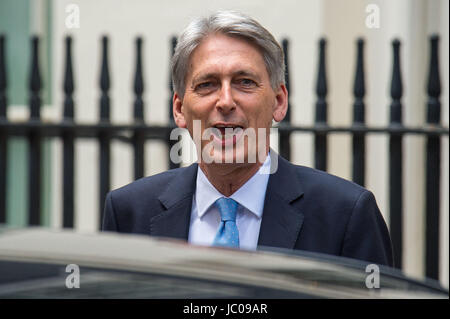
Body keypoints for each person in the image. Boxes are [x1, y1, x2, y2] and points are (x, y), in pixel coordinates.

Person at [102, 10, 393, 267]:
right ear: (180, 109)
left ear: (278, 102)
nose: (225, 101)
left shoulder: (345, 215)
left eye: (245, 82)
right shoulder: (129, 213)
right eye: (207, 84)